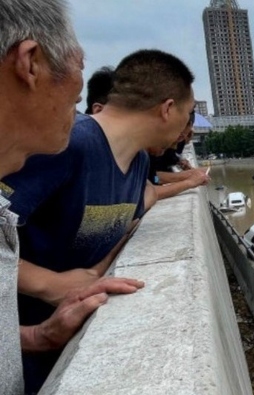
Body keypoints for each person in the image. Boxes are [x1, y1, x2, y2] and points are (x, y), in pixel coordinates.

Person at [4, 48, 193, 391]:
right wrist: (50, 284)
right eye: (188, 114)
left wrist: (95, 274)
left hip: (56, 348)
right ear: (167, 109)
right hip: (19, 348)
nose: (185, 131)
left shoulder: (136, 163)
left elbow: (133, 211)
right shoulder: (68, 144)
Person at [0, 1, 143, 393]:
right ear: (31, 64)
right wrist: (49, 284)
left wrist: (39, 336)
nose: (77, 109)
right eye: (78, 63)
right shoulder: (77, 147)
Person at [84, 66, 209, 199]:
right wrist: (187, 180)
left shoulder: (139, 158)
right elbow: (153, 182)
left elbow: (150, 186)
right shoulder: (77, 149)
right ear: (98, 112)